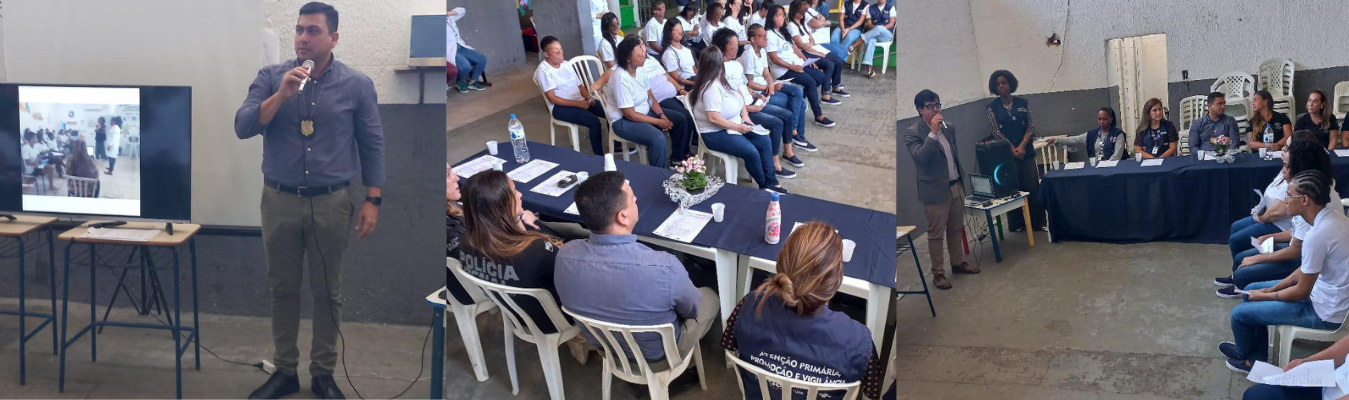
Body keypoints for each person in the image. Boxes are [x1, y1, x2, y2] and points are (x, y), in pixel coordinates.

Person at [234, 3, 385, 398]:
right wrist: (280, 95)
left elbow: (372, 144)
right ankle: (285, 371)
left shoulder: (357, 85)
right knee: (282, 289)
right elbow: (243, 126)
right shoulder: (271, 78)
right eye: (299, 29)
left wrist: (373, 199)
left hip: (331, 202)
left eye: (313, 31)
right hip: (279, 200)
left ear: (333, 38)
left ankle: (323, 374)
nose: (303, 37)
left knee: (327, 292)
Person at [555, 171, 721, 364]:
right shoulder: (664, 266)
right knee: (710, 297)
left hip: (606, 348)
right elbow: (691, 311)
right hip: (659, 356)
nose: (636, 199)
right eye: (632, 197)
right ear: (623, 216)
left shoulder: (564, 255)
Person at [720, 222, 886, 400]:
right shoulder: (858, 341)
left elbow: (729, 344)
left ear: (781, 266)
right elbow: (872, 390)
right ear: (837, 280)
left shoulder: (750, 306)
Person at [1223, 170, 1349, 373]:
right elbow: (1304, 270)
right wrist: (1270, 290)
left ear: (1305, 200)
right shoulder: (1333, 218)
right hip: (1324, 294)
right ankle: (1255, 356)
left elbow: (1301, 292)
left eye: (1289, 195)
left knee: (1239, 314)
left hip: (1324, 312)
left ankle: (1246, 358)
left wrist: (1267, 295)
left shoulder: (1317, 235)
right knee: (1251, 290)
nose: (1285, 199)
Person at [458, 170, 590, 361]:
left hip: (514, 313)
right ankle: (580, 339)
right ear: (501, 206)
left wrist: (518, 220)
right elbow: (577, 274)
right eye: (514, 192)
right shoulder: (535, 251)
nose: (520, 195)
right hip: (555, 319)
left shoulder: (466, 242)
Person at [1218, 133, 1341, 298]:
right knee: (1242, 257)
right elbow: (1297, 233)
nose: (1283, 170)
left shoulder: (1309, 201)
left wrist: (1258, 260)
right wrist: (1271, 237)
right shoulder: (1305, 188)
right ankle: (1242, 282)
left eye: (1286, 166)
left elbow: (1297, 251)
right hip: (1301, 253)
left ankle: (1241, 284)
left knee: (1244, 271)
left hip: (1306, 264)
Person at [905, 90, 979, 290]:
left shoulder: (949, 128)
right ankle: (938, 273)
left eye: (937, 105)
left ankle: (958, 263)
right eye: (930, 106)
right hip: (935, 192)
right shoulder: (912, 133)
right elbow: (921, 158)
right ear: (920, 110)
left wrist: (961, 182)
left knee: (956, 228)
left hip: (955, 185)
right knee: (936, 234)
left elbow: (952, 156)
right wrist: (932, 133)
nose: (936, 110)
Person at [691, 46, 788, 193]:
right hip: (715, 132)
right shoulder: (710, 87)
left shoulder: (721, 79)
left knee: (764, 141)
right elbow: (713, 118)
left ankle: (772, 181)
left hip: (735, 124)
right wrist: (738, 128)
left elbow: (739, 94)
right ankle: (764, 185)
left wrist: (745, 115)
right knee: (751, 152)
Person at [714, 28, 798, 180]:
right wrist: (748, 108)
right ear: (724, 46)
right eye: (733, 45)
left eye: (737, 44)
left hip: (753, 101)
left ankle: (788, 152)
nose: (736, 48)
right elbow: (727, 100)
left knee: (787, 114)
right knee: (777, 123)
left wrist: (758, 95)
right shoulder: (720, 70)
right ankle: (775, 164)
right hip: (744, 110)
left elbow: (744, 86)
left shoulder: (735, 63)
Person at [605, 36, 685, 168]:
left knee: (680, 119)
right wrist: (658, 122)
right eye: (639, 54)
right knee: (658, 138)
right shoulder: (621, 79)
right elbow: (630, 114)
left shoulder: (640, 69)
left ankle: (676, 159)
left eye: (643, 51)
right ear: (628, 58)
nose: (644, 55)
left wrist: (661, 115)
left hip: (644, 111)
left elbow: (650, 96)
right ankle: (657, 173)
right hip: (623, 121)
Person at [743, 23, 815, 155]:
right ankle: (796, 136)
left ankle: (794, 131)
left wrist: (771, 84)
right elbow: (749, 83)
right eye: (762, 36)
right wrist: (768, 87)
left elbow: (766, 73)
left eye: (766, 36)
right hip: (758, 93)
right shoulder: (748, 55)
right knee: (801, 103)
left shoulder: (762, 51)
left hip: (767, 88)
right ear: (753, 39)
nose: (766, 39)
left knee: (797, 92)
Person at [986, 70, 1045, 232]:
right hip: (1008, 156)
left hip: (1027, 153)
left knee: (1032, 187)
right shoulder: (992, 108)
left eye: (1004, 83)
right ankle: (1016, 224)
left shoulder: (1022, 103)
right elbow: (995, 131)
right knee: (1012, 189)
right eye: (997, 84)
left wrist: (1023, 146)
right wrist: (1012, 148)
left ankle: (1038, 223)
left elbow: (1031, 126)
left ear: (1010, 84)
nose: (1001, 86)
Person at [764, 5, 839, 128]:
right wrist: (793, 68)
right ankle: (818, 115)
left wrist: (806, 60)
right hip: (783, 70)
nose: (781, 18)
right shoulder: (770, 34)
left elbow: (794, 48)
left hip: (796, 64)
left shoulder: (783, 31)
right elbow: (774, 58)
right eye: (778, 16)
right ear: (771, 17)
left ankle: (799, 101)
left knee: (820, 76)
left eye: (783, 15)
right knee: (810, 82)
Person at [535, 36, 608, 157]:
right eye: (556, 52)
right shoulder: (543, 71)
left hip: (579, 100)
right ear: (546, 54)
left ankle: (616, 145)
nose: (561, 54)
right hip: (560, 107)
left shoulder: (566, 64)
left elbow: (580, 86)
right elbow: (552, 98)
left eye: (561, 50)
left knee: (609, 111)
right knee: (594, 122)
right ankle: (599, 157)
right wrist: (577, 104)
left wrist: (589, 98)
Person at [1243, 334, 1349, 399]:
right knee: (1255, 395)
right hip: (1330, 385)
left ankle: (1243, 355)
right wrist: (1307, 361)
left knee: (1241, 315)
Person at [787, 1, 848, 99]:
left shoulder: (803, 23)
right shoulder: (791, 26)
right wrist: (816, 52)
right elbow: (800, 45)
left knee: (839, 61)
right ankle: (826, 94)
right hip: (804, 52)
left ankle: (836, 87)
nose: (803, 14)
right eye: (801, 11)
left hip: (812, 48)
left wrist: (811, 45)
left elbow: (811, 39)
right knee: (829, 64)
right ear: (795, 12)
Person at [1044, 107, 1127, 161]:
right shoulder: (1092, 134)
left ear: (1111, 119)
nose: (1102, 122)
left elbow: (1117, 156)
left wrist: (1106, 166)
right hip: (1096, 168)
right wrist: (1055, 140)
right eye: (1099, 119)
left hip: (1114, 169)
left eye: (1105, 119)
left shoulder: (1118, 134)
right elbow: (1075, 140)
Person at [448, 7, 488, 93]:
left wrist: (449, 13)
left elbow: (462, 10)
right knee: (466, 66)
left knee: (482, 59)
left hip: (461, 46)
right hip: (449, 50)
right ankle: (460, 81)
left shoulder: (450, 18)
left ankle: (472, 82)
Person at [659, 19, 698, 91]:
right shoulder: (669, 53)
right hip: (686, 84)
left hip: (694, 78)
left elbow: (694, 68)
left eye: (681, 29)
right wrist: (695, 84)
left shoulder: (686, 49)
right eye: (677, 30)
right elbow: (676, 78)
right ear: (669, 33)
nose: (680, 32)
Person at [859, 0, 894, 78]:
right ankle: (869, 68)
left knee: (878, 29)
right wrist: (877, 29)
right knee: (870, 41)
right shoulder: (870, 8)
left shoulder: (891, 7)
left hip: (886, 35)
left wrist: (881, 29)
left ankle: (859, 41)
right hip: (874, 34)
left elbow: (891, 24)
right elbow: (868, 24)